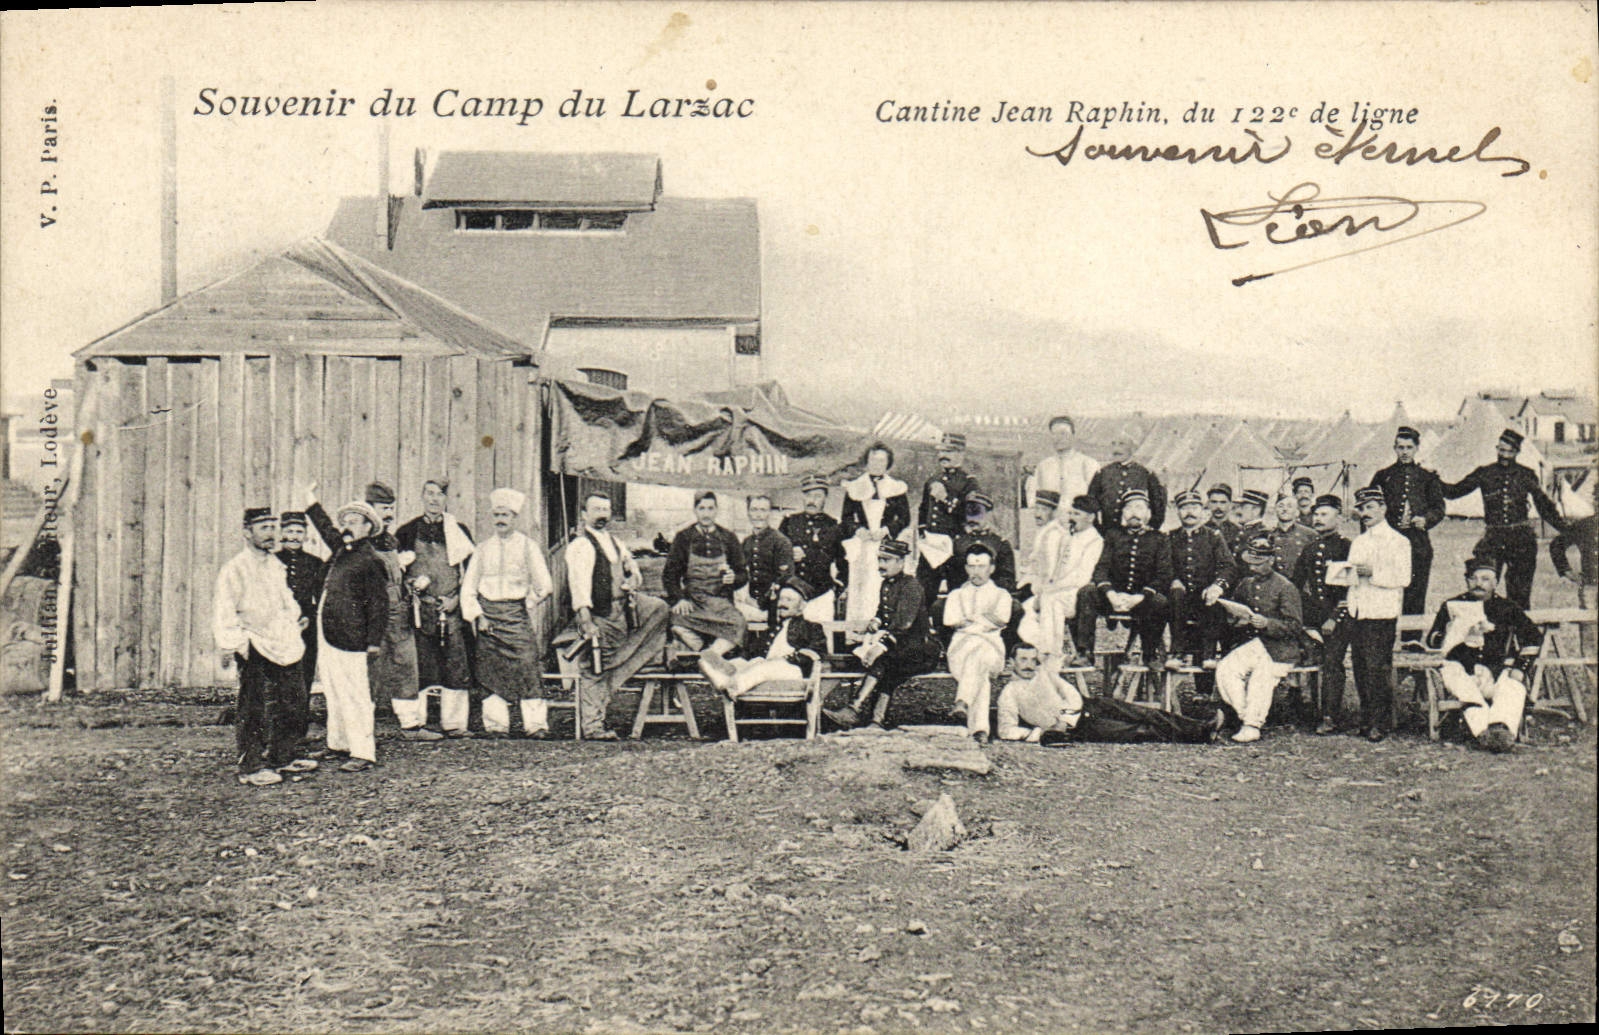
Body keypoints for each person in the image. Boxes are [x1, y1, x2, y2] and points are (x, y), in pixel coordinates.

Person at [306, 483, 436, 742]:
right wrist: (310, 502)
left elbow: (395, 577)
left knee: (405, 664)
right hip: (368, 615)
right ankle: (363, 730)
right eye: (382, 508)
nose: (388, 514)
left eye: (391, 508)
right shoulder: (355, 544)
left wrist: (410, 582)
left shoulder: (391, 541)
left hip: (397, 611)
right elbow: (328, 531)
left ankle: (410, 724)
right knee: (367, 670)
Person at [214, 508, 315, 786]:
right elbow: (225, 610)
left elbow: (286, 599)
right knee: (254, 705)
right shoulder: (235, 569)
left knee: (293, 699)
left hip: (283, 641)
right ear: (247, 533)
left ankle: (283, 757)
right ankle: (251, 766)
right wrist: (236, 644)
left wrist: (295, 620)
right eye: (263, 528)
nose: (270, 534)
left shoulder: (275, 565)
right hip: (254, 642)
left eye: (272, 527)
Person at [565, 493, 672, 740]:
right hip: (599, 613)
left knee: (659, 608)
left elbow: (632, 568)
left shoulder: (614, 541)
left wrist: (633, 578)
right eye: (596, 510)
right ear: (584, 514)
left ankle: (631, 660)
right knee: (595, 667)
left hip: (621, 609)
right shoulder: (581, 545)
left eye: (606, 510)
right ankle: (592, 726)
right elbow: (578, 586)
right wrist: (585, 620)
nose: (602, 515)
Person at [1424, 557, 1543, 753]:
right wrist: (1450, 631)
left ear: (1495, 582)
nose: (1479, 584)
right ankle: (1483, 732)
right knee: (1454, 675)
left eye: (1485, 579)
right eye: (1474, 578)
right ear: (1467, 581)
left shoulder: (1508, 607)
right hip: (1462, 669)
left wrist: (1521, 668)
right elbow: (1432, 641)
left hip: (1495, 670)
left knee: (1513, 686)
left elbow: (1533, 638)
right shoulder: (1452, 605)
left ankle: (1501, 729)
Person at [461, 488, 553, 738]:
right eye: (497, 515)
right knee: (490, 669)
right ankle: (496, 725)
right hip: (488, 618)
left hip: (516, 616)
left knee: (528, 665)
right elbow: (468, 588)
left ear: (515, 518)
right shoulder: (482, 549)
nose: (500, 520)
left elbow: (545, 585)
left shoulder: (528, 547)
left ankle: (535, 725)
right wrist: (479, 616)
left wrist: (527, 603)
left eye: (505, 515)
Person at [1441, 427, 1566, 609]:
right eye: (1501, 450)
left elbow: (1543, 505)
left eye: (1509, 451)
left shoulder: (1526, 474)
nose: (1504, 455)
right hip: (1493, 539)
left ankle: (1518, 626)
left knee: (1520, 594)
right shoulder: (1484, 473)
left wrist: (1565, 528)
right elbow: (1453, 492)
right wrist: (1432, 480)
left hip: (1521, 540)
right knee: (1482, 589)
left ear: (1517, 452)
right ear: (1496, 449)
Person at [823, 538, 941, 730]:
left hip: (921, 650)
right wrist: (875, 622)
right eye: (879, 559)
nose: (881, 565)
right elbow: (883, 611)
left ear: (901, 562)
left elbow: (903, 624)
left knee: (883, 661)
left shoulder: (911, 586)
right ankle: (876, 720)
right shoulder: (887, 584)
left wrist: (879, 647)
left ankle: (854, 709)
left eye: (886, 560)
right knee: (888, 669)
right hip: (900, 648)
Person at [307, 498, 389, 771]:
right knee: (333, 690)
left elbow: (378, 604)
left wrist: (373, 641)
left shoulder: (370, 560)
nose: (347, 526)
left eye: (353, 522)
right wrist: (311, 504)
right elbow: (326, 529)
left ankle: (363, 752)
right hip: (329, 633)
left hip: (352, 637)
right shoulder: (343, 550)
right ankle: (338, 743)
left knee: (355, 694)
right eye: (345, 522)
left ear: (368, 527)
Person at [997, 643, 1218, 744]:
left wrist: (1064, 719)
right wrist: (1039, 733)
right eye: (1023, 660)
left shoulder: (1044, 674)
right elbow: (1006, 730)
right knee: (1139, 731)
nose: (1029, 665)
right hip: (1081, 728)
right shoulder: (1009, 693)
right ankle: (1199, 736)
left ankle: (1200, 727)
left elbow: (1071, 695)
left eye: (1032, 660)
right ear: (1011, 662)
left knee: (1146, 714)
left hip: (1090, 705)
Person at [394, 479, 475, 737]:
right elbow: (396, 573)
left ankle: (455, 724)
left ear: (446, 499)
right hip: (420, 609)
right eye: (429, 493)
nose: (434, 499)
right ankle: (418, 723)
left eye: (439, 494)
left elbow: (471, 573)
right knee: (419, 663)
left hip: (450, 608)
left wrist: (457, 600)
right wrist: (412, 588)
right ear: (422, 497)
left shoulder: (458, 530)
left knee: (456, 664)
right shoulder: (406, 532)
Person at [1213, 533, 1304, 743]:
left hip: (1279, 649)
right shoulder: (1246, 584)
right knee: (1226, 668)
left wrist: (1267, 623)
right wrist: (1236, 619)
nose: (1253, 568)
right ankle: (1245, 714)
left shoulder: (1285, 587)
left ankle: (1252, 725)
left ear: (1271, 560)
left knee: (1261, 678)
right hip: (1254, 644)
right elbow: (1235, 611)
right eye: (1250, 563)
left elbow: (1294, 626)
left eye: (1258, 563)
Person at [1074, 490, 1173, 662]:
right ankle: (1085, 652)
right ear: (1123, 513)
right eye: (1129, 508)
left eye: (1139, 508)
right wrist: (1111, 594)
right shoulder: (1113, 536)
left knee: (1160, 602)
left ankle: (1150, 655)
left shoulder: (1159, 539)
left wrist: (1140, 596)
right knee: (1087, 593)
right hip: (1114, 598)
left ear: (1148, 513)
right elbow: (1101, 569)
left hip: (1141, 599)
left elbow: (1164, 574)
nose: (1134, 513)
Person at [1345, 486, 1412, 741]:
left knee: (1377, 668)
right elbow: (1352, 576)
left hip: (1381, 612)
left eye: (1370, 507)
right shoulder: (1359, 542)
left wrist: (1373, 573)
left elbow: (1404, 578)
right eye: (1362, 509)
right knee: (1360, 667)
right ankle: (1366, 719)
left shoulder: (1398, 541)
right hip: (1359, 611)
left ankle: (1380, 723)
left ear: (1383, 508)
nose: (1365, 513)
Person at [1367, 426, 1446, 640]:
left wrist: (1426, 520)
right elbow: (1369, 507)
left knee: (1415, 592)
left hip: (1417, 543)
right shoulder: (1384, 476)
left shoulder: (1427, 477)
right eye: (1400, 447)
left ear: (1417, 448)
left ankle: (1411, 639)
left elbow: (1439, 508)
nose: (1404, 452)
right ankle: (1381, 638)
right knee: (1384, 588)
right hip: (1388, 543)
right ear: (1394, 448)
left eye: (1409, 447)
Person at [701, 577, 828, 698]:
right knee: (732, 663)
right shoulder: (773, 629)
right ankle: (723, 683)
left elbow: (816, 652)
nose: (782, 604)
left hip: (792, 672)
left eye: (789, 600)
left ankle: (733, 688)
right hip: (763, 671)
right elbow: (753, 651)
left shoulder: (811, 627)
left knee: (765, 668)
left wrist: (784, 659)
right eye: (781, 599)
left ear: (801, 606)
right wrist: (744, 661)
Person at [1292, 495, 1353, 735]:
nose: (1318, 519)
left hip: (1339, 618)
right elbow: (1296, 585)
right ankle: (1304, 707)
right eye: (1316, 514)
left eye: (1324, 514)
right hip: (1314, 617)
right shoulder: (1310, 548)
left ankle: (1330, 715)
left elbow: (1350, 590)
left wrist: (1334, 618)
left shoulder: (1347, 547)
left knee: (1332, 663)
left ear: (1339, 518)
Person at [663, 491, 750, 661]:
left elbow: (743, 574)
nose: (706, 513)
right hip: (693, 601)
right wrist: (680, 599)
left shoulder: (728, 537)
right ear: (695, 510)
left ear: (716, 510)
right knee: (673, 620)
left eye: (710, 508)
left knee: (739, 624)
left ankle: (710, 655)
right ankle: (703, 649)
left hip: (721, 602)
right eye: (701, 508)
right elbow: (669, 575)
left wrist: (734, 579)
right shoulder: (683, 538)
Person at [943, 543, 1012, 743]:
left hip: (993, 652)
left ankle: (962, 702)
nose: (976, 571)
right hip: (960, 652)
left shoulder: (1001, 595)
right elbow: (950, 620)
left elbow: (1001, 619)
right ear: (966, 568)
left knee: (979, 655)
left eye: (981, 566)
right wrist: (984, 620)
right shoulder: (956, 595)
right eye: (972, 566)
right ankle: (980, 730)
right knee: (979, 669)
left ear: (991, 568)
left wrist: (969, 621)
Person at [840, 442, 912, 623]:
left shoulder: (896, 487)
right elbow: (846, 517)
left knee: (879, 584)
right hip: (862, 545)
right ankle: (857, 628)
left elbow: (905, 518)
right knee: (860, 586)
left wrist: (886, 530)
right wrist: (858, 530)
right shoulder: (855, 487)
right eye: (873, 460)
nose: (877, 464)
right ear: (867, 462)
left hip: (885, 545)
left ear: (888, 464)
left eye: (881, 461)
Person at [1164, 489, 1233, 672]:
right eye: (1184, 508)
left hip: (1205, 593)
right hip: (1179, 596)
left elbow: (1227, 566)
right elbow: (1163, 565)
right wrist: (1173, 580)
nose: (1190, 512)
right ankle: (1177, 653)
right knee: (1176, 596)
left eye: (1194, 507)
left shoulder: (1213, 537)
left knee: (1213, 600)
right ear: (1177, 512)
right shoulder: (1170, 537)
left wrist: (1217, 586)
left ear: (1203, 511)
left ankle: (1208, 654)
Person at [1015, 490, 1084, 661]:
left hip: (1051, 590)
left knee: (1025, 614)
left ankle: (1043, 653)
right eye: (1036, 509)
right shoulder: (1045, 531)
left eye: (1043, 510)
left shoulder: (1053, 534)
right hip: (1038, 585)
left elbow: (1051, 572)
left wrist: (1040, 595)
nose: (1038, 514)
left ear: (1054, 512)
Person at [275, 510, 325, 747]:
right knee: (278, 676)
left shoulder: (315, 564)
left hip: (306, 629)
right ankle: (276, 729)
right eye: (290, 531)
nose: (294, 536)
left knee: (303, 675)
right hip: (277, 629)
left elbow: (321, 599)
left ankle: (299, 730)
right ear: (282, 534)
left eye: (299, 531)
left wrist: (309, 619)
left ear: (305, 535)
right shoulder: (272, 561)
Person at [918, 433, 980, 605]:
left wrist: (946, 499)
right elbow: (924, 509)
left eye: (949, 451)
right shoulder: (933, 479)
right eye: (941, 451)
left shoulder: (969, 483)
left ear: (961, 454)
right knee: (923, 594)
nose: (943, 456)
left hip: (955, 547)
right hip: (931, 546)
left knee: (957, 596)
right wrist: (923, 532)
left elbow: (973, 517)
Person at [780, 473, 846, 621]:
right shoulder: (789, 522)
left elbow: (842, 562)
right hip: (793, 594)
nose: (812, 500)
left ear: (825, 498)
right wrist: (789, 554)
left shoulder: (833, 526)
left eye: (817, 496)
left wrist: (838, 588)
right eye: (808, 495)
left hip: (820, 594)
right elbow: (775, 554)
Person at [943, 491, 1018, 593]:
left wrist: (984, 585)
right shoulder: (958, 543)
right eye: (969, 513)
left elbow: (1008, 581)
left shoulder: (1000, 544)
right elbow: (951, 577)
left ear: (988, 514)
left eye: (977, 513)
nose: (972, 519)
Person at [1088, 436, 1166, 531]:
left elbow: (1158, 505)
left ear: (1132, 448)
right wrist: (1099, 529)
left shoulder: (1145, 474)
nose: (1116, 449)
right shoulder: (1102, 473)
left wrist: (1151, 528)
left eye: (1121, 444)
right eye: (1113, 444)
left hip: (1135, 532)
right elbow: (1090, 504)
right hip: (1108, 531)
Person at [740, 494, 794, 627]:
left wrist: (760, 603)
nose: (758, 515)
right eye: (754, 510)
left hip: (774, 607)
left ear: (769, 513)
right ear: (748, 512)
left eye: (763, 510)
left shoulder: (781, 541)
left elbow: (785, 578)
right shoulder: (746, 542)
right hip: (750, 605)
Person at [1029, 415, 1099, 512]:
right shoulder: (1043, 466)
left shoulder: (1088, 464)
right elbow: (1033, 500)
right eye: (1054, 434)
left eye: (1063, 433)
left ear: (1073, 435)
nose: (1058, 438)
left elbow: (1095, 500)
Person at [1269, 493, 1318, 580]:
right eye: (1280, 506)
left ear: (1297, 512)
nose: (1284, 509)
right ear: (1275, 510)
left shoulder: (1310, 534)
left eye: (1289, 506)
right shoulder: (1268, 535)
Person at [1231, 489, 1271, 557]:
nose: (1238, 511)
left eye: (1242, 507)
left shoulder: (1261, 533)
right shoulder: (1242, 530)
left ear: (1256, 511)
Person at [1207, 483, 1245, 554]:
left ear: (1230, 504)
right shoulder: (1202, 530)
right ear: (1208, 504)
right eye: (1214, 502)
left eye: (1223, 502)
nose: (1218, 506)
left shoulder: (1238, 531)